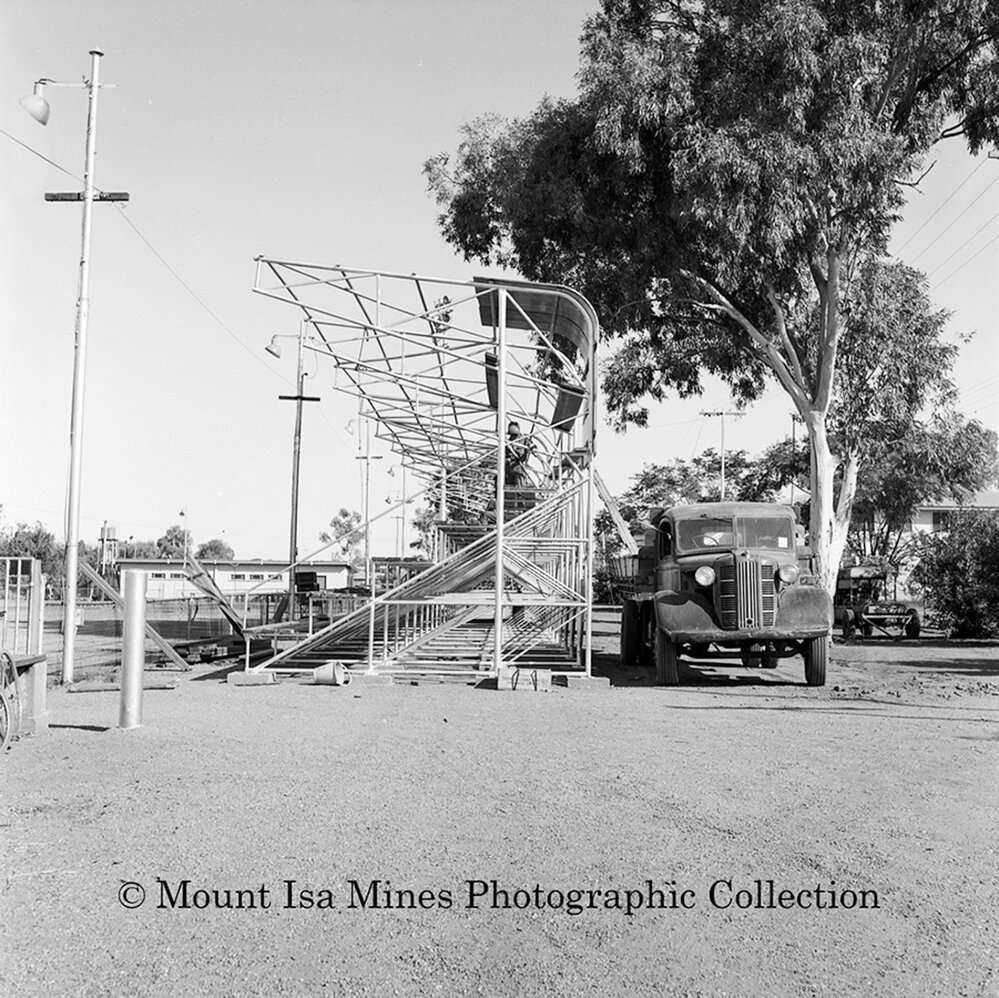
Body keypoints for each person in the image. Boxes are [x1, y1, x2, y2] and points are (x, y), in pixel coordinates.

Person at [504, 421, 534, 488]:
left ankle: (520, 494)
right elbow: (506, 454)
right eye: (512, 435)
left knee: (519, 482)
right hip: (509, 467)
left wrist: (532, 448)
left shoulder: (524, 439)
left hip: (518, 466)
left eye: (514, 435)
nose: (513, 437)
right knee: (509, 486)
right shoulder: (508, 442)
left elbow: (531, 445)